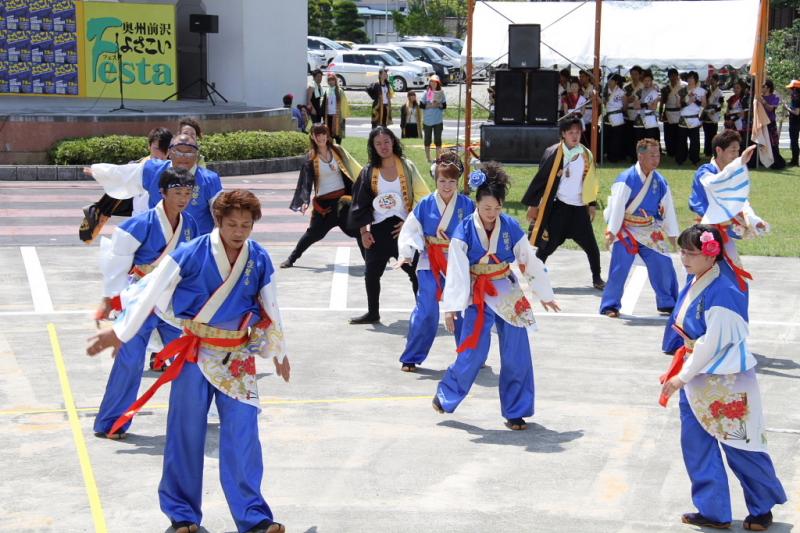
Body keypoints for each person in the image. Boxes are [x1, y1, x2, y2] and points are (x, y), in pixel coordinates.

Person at [86, 190, 290, 533]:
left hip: (237, 358)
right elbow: (150, 290)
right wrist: (121, 332)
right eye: (231, 224)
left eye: (246, 224)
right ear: (218, 222)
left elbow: (271, 304)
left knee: (244, 434)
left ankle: (254, 518)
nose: (238, 231)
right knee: (185, 432)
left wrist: (280, 352)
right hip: (194, 352)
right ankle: (182, 516)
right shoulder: (192, 252)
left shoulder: (259, 258)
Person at [659, 224, 786, 531]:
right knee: (696, 443)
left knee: (740, 443)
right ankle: (713, 510)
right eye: (683, 251)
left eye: (691, 253)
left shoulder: (725, 289)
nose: (684, 258)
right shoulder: (701, 276)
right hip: (697, 373)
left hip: (725, 377)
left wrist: (680, 377)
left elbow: (711, 343)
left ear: (710, 254)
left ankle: (762, 507)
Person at [432, 162, 559, 431]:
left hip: (506, 290)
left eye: (497, 208)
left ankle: (516, 411)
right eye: (487, 208)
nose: (492, 214)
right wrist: (451, 307)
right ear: (477, 204)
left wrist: (544, 293)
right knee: (473, 352)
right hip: (478, 291)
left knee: (517, 352)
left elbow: (528, 260)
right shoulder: (464, 230)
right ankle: (446, 395)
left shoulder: (510, 226)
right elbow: (456, 272)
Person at [92, 168, 199, 438]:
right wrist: (114, 299)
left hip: (172, 303)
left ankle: (193, 416)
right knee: (129, 361)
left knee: (191, 357)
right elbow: (116, 265)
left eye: (187, 193)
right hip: (141, 300)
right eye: (177, 192)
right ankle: (111, 422)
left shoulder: (190, 225)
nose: (183, 198)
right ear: (161, 192)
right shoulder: (141, 224)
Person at [662, 132, 767, 354]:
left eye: (737, 151)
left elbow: (741, 202)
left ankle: (727, 337)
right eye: (732, 151)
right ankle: (681, 338)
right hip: (705, 235)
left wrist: (753, 221)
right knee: (697, 285)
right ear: (718, 151)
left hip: (722, 236)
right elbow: (717, 186)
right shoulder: (707, 173)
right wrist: (740, 163)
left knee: (735, 283)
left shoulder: (728, 173)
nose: (735, 155)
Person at [396, 151, 475, 372]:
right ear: (435, 180)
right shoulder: (425, 204)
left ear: (458, 181)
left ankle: (469, 355)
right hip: (430, 262)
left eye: (451, 181)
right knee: (426, 310)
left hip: (457, 264)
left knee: (461, 308)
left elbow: (477, 234)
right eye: (442, 181)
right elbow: (410, 230)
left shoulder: (468, 206)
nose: (447, 186)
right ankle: (411, 356)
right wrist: (406, 253)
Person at [347, 126, 430, 325]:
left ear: (393, 142)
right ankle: (373, 313)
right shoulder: (368, 171)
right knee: (371, 275)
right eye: (378, 143)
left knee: (416, 274)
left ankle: (423, 314)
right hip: (377, 230)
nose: (383, 146)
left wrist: (410, 222)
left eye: (386, 142)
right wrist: (364, 232)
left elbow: (423, 195)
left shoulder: (407, 166)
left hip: (404, 230)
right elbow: (360, 203)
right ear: (373, 147)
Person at [599, 138, 679, 318]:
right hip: (626, 228)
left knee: (663, 262)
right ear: (640, 156)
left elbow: (668, 209)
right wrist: (611, 232)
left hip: (649, 229)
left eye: (658, 155)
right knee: (620, 266)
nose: (656, 159)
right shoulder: (627, 178)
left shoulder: (660, 181)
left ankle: (667, 302)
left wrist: (672, 234)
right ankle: (610, 305)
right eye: (652, 155)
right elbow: (618, 206)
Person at [522, 117, 604, 290]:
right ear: (563, 135)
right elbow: (541, 181)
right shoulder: (553, 153)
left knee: (592, 247)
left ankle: (597, 278)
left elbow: (590, 181)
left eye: (578, 132)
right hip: (559, 208)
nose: (575, 136)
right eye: (571, 133)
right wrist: (534, 205)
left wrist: (591, 204)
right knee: (546, 246)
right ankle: (534, 277)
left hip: (579, 210)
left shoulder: (585, 154)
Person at [84, 134, 222, 235]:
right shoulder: (152, 169)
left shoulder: (209, 179)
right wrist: (99, 172)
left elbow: (220, 212)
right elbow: (124, 174)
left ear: (197, 154)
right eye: (178, 151)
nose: (183, 157)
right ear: (170, 153)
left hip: (194, 244)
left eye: (189, 152)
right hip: (157, 240)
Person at [281, 123, 363, 268]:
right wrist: (304, 200)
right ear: (312, 137)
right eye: (317, 134)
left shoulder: (338, 151)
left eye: (323, 133)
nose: (320, 137)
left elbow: (353, 167)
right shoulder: (311, 157)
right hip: (324, 206)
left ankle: (371, 261)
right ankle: (291, 259)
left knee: (358, 231)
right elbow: (305, 181)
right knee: (313, 234)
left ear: (327, 134)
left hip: (343, 202)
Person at [78, 126, 173, 244]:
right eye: (156, 148)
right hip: (140, 220)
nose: (160, 153)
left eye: (165, 149)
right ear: (149, 146)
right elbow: (118, 174)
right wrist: (98, 172)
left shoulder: (174, 169)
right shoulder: (139, 166)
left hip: (165, 222)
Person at [676, 71, 707, 166]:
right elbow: (678, 105)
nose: (690, 80)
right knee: (681, 141)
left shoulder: (701, 91)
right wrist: (688, 102)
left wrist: (701, 118)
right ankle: (681, 159)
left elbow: (704, 105)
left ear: (696, 79)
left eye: (692, 78)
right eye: (689, 78)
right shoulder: (681, 91)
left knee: (695, 141)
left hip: (694, 119)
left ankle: (695, 159)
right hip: (683, 119)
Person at [759, 79, 786, 169]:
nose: (761, 88)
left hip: (770, 123)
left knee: (773, 143)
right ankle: (764, 161)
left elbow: (771, 108)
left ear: (768, 87)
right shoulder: (759, 97)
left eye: (763, 86)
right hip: (761, 123)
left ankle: (777, 162)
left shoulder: (775, 97)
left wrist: (763, 102)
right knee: (763, 144)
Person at [420, 74, 446, 163]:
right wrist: (431, 105)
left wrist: (439, 105)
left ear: (438, 83)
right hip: (427, 121)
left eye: (435, 82)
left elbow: (444, 105)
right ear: (429, 82)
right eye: (431, 81)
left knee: (438, 140)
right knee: (427, 140)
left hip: (438, 120)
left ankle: (438, 158)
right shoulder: (426, 92)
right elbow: (421, 105)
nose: (433, 83)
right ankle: (428, 158)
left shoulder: (441, 93)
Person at [661, 68, 685, 157]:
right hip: (668, 112)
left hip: (679, 112)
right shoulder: (665, 88)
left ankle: (679, 151)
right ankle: (670, 152)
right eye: (671, 76)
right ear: (668, 77)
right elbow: (662, 101)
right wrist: (660, 113)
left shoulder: (683, 87)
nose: (673, 78)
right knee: (668, 135)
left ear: (677, 76)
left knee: (679, 134)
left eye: (675, 76)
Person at [603, 73, 626, 162]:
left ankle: (617, 157)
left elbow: (625, 105)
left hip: (617, 116)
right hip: (608, 116)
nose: (609, 82)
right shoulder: (606, 90)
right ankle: (609, 155)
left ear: (616, 82)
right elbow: (604, 102)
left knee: (617, 138)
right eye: (608, 80)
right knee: (608, 137)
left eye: (611, 80)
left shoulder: (621, 92)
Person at [634, 69, 661, 144]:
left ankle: (650, 156)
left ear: (651, 81)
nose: (647, 82)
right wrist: (647, 104)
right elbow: (636, 106)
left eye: (649, 80)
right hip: (640, 118)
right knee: (640, 141)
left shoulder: (654, 92)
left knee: (650, 140)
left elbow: (654, 107)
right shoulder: (639, 92)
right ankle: (640, 156)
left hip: (650, 119)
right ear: (642, 81)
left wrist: (642, 105)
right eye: (645, 80)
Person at [322, 72, 349, 144]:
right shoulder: (327, 91)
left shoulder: (340, 91)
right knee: (329, 135)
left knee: (338, 135)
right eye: (329, 80)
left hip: (337, 117)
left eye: (332, 80)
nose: (331, 82)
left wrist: (343, 116)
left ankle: (338, 150)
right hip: (328, 116)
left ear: (335, 81)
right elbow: (324, 104)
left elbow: (344, 104)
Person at [624, 65, 644, 160]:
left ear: (640, 75)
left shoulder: (643, 86)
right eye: (632, 74)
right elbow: (625, 100)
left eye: (636, 74)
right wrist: (631, 99)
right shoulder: (627, 87)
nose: (633, 76)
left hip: (640, 113)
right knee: (630, 135)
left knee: (640, 136)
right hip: (629, 113)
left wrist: (632, 99)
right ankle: (631, 154)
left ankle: (641, 156)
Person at [702, 74, 724, 157]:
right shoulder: (707, 91)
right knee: (706, 134)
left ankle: (713, 151)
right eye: (710, 80)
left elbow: (721, 105)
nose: (711, 82)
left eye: (713, 80)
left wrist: (715, 110)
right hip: (706, 113)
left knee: (713, 135)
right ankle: (707, 151)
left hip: (714, 114)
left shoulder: (720, 92)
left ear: (717, 81)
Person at [724, 80, 750, 147]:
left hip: (742, 125)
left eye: (738, 88)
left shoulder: (744, 98)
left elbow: (744, 113)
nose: (735, 89)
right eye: (734, 87)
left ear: (742, 88)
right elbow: (727, 111)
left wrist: (734, 118)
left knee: (741, 144)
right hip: (731, 125)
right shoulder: (731, 98)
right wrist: (727, 119)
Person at [785, 79, 800, 166]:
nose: (790, 90)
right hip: (796, 121)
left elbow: (797, 112)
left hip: (795, 122)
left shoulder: (796, 98)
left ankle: (794, 160)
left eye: (792, 88)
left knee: (794, 141)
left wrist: (787, 108)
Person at [579, 69, 595, 147]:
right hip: (581, 112)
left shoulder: (593, 87)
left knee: (589, 134)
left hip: (590, 112)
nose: (581, 78)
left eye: (583, 76)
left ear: (588, 77)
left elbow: (594, 100)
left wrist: (586, 99)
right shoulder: (578, 87)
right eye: (580, 76)